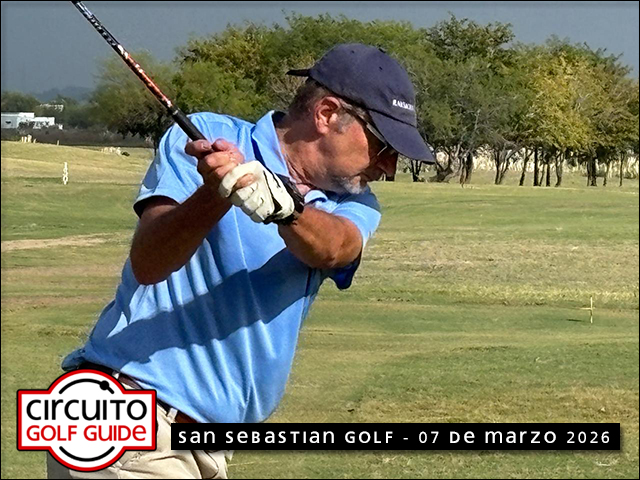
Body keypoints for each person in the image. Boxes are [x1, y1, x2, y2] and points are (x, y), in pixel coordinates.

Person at [47, 43, 435, 479]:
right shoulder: (206, 135)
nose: (390, 167)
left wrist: (283, 207)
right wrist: (217, 193)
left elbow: (335, 247)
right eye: (383, 146)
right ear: (326, 114)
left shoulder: (355, 203)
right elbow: (149, 262)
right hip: (125, 416)